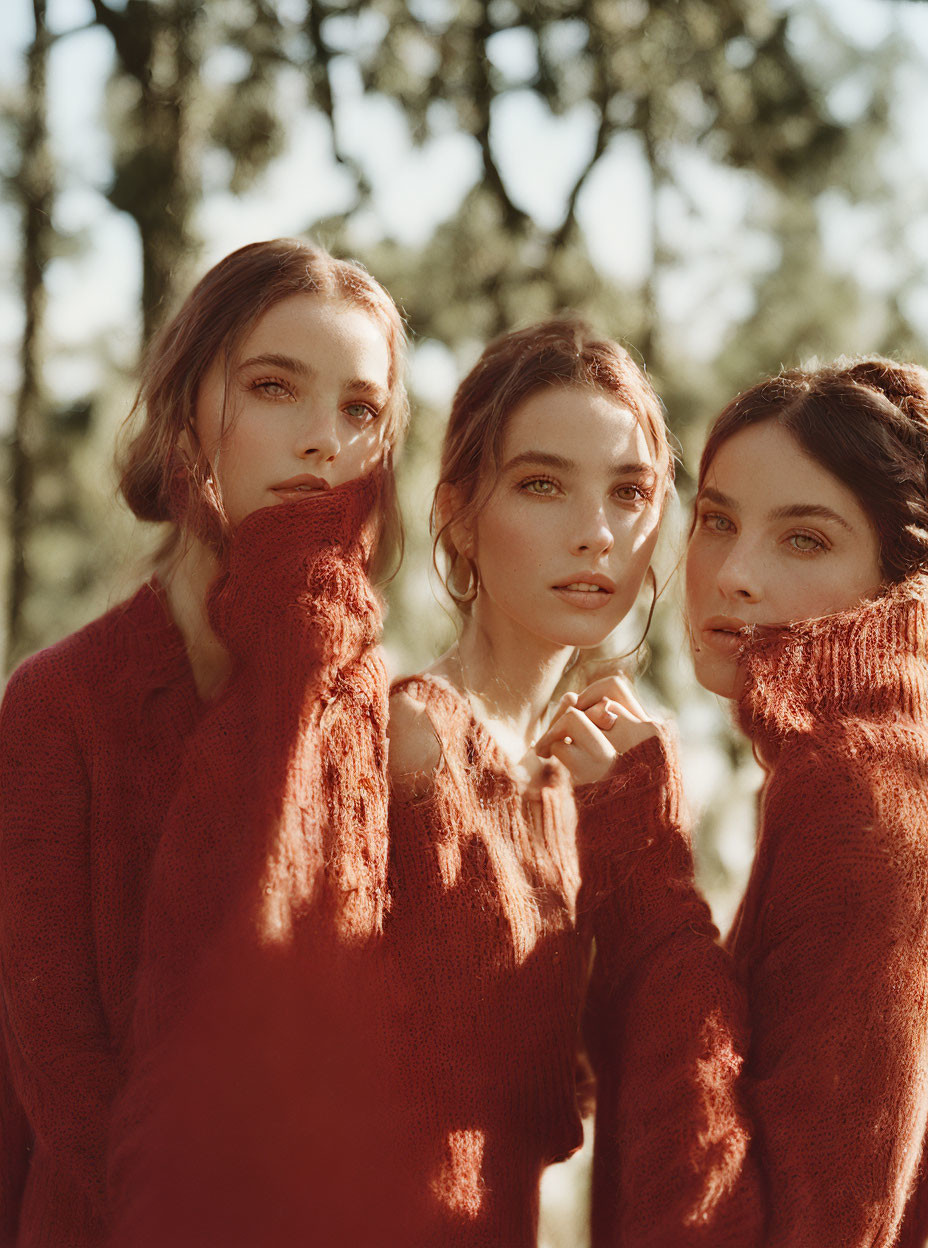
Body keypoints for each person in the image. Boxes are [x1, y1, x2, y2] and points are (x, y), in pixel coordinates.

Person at [0, 237, 409, 1248]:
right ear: (192, 413)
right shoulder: (60, 703)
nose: (323, 441)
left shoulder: (372, 705)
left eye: (359, 409)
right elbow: (58, 1072)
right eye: (276, 388)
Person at [540, 357, 928, 1246]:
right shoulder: (847, 772)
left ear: (897, 580)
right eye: (716, 520)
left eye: (805, 539)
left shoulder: (863, 800)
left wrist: (642, 860)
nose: (733, 574)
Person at [384, 317, 675, 1246]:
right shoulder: (403, 739)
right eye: (543, 484)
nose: (595, 534)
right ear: (457, 514)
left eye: (629, 492)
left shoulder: (583, 780)